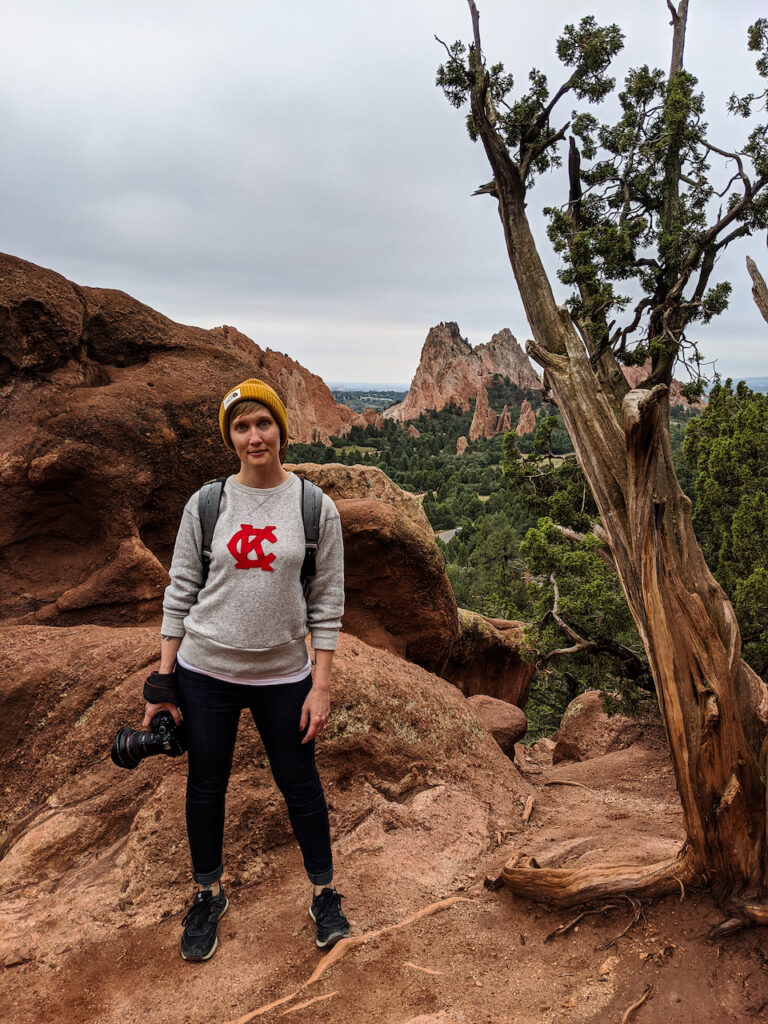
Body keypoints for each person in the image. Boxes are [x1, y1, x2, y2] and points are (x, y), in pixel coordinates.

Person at [141, 378, 349, 962]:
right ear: (230, 436)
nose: (253, 436)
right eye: (241, 426)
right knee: (206, 783)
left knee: (300, 784)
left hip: (284, 674)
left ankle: (324, 893)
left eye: (263, 423)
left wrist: (321, 683)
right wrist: (163, 680)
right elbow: (180, 590)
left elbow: (327, 601)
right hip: (206, 669)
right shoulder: (207, 503)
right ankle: (207, 892)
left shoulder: (314, 507)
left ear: (282, 428)